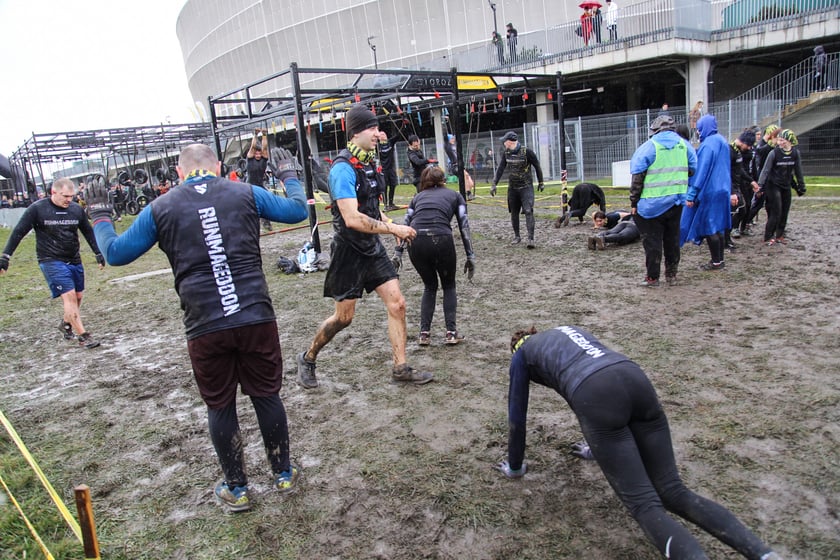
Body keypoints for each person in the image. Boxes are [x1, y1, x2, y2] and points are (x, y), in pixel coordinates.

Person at [86, 143, 308, 513]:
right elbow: (298, 210)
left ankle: (237, 489)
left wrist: (100, 218)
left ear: (179, 172)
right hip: (254, 316)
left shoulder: (161, 207)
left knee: (220, 405)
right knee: (266, 395)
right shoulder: (245, 192)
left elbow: (116, 253)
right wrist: (289, 177)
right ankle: (282, 474)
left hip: (205, 323)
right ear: (218, 166)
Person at [496, 325, 786, 560]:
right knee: (674, 491)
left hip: (596, 394)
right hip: (632, 376)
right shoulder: (567, 332)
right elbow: (591, 374)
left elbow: (517, 415)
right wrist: (596, 448)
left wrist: (515, 466)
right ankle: (764, 554)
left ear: (517, 346)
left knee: (645, 504)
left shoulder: (522, 355)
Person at [296, 105, 434, 389]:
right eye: (372, 128)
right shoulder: (342, 169)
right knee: (343, 318)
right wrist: (393, 229)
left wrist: (387, 221)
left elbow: (369, 206)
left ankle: (400, 368)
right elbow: (352, 218)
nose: (378, 133)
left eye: (377, 128)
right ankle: (308, 358)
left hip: (372, 248)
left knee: (398, 303)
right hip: (348, 252)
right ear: (356, 132)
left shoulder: (370, 162)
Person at [0, 178, 105, 348]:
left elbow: (88, 232)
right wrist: (5, 256)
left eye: (71, 196)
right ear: (53, 192)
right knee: (70, 297)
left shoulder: (76, 210)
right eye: (65, 196)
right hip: (50, 260)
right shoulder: (37, 209)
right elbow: (18, 232)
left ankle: (66, 324)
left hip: (74, 259)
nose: (69, 200)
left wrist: (98, 253)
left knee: (78, 296)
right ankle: (83, 336)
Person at [391, 166, 475, 346]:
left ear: (424, 181)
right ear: (444, 180)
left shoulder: (417, 197)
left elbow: (405, 225)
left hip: (416, 241)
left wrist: (398, 252)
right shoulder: (455, 196)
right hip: (442, 240)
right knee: (449, 286)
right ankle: (451, 333)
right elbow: (464, 226)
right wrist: (470, 255)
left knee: (429, 286)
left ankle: (424, 334)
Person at [629, 115, 697, 287]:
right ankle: (671, 275)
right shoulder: (684, 146)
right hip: (676, 201)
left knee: (652, 242)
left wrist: (634, 202)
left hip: (651, 205)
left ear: (654, 130)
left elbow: (637, 177)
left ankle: (653, 278)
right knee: (672, 239)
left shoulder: (649, 147)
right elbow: (692, 168)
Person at [679, 114, 732, 271]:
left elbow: (702, 170)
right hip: (723, 189)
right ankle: (720, 259)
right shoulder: (722, 141)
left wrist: (692, 193)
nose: (698, 132)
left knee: (709, 226)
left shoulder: (708, 145)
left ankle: (716, 262)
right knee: (719, 226)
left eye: (699, 128)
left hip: (710, 190)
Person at [491, 131, 545, 248]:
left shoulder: (527, 152)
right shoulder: (506, 153)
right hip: (513, 188)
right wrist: (494, 184)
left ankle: (530, 239)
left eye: (504, 141)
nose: (503, 143)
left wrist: (541, 182)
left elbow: (537, 166)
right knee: (514, 212)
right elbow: (500, 168)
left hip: (526, 187)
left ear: (509, 142)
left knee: (528, 211)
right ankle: (517, 236)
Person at [756, 129, 805, 246]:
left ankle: (779, 235)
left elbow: (798, 171)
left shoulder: (795, 153)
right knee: (776, 211)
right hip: (773, 185)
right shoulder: (774, 153)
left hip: (786, 185)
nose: (780, 142)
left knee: (784, 211)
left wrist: (801, 186)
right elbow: (765, 170)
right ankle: (768, 236)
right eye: (779, 140)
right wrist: (760, 185)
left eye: (782, 140)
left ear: (790, 141)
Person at [730, 130, 759, 239]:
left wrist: (751, 181)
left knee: (744, 208)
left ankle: (732, 234)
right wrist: (732, 191)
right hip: (731, 186)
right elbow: (726, 171)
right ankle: (732, 231)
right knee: (738, 209)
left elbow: (740, 169)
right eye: (749, 145)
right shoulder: (730, 151)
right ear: (744, 142)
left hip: (738, 183)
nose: (749, 148)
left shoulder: (737, 151)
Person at [246, 128, 271, 230]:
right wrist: (255, 135)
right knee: (250, 204)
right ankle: (250, 223)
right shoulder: (250, 159)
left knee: (266, 201)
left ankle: (266, 223)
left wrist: (264, 135)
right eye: (256, 154)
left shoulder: (263, 159)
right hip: (250, 185)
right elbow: (253, 147)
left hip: (260, 185)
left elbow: (264, 148)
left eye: (259, 154)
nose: (258, 155)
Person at [444, 134, 474, 200]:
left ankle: (463, 193)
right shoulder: (448, 146)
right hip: (455, 166)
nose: (453, 139)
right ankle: (468, 193)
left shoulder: (454, 146)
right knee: (465, 175)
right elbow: (445, 138)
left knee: (471, 183)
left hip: (460, 166)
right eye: (451, 138)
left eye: (453, 138)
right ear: (448, 140)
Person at [377, 131, 400, 210]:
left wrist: (403, 125)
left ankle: (391, 203)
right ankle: (386, 205)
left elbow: (398, 135)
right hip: (383, 169)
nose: (383, 135)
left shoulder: (390, 142)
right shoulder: (377, 146)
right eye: (381, 134)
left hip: (391, 168)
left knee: (393, 185)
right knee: (384, 187)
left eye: (384, 134)